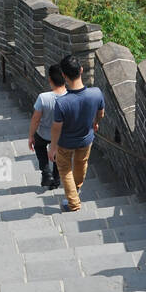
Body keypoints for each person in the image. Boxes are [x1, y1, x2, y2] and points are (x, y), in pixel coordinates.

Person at [48, 54, 105, 212]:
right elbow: (101, 113)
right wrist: (96, 123)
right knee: (81, 164)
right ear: (81, 70)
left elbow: (56, 128)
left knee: (65, 170)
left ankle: (73, 203)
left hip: (65, 143)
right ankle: (76, 189)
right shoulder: (96, 93)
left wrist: (52, 148)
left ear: (64, 76)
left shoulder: (62, 103)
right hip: (86, 139)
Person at [28, 64, 67, 190]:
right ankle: (56, 179)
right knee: (57, 152)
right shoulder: (70, 96)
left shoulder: (43, 97)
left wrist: (31, 136)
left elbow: (35, 119)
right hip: (62, 135)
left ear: (50, 79)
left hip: (43, 133)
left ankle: (46, 173)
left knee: (39, 146)